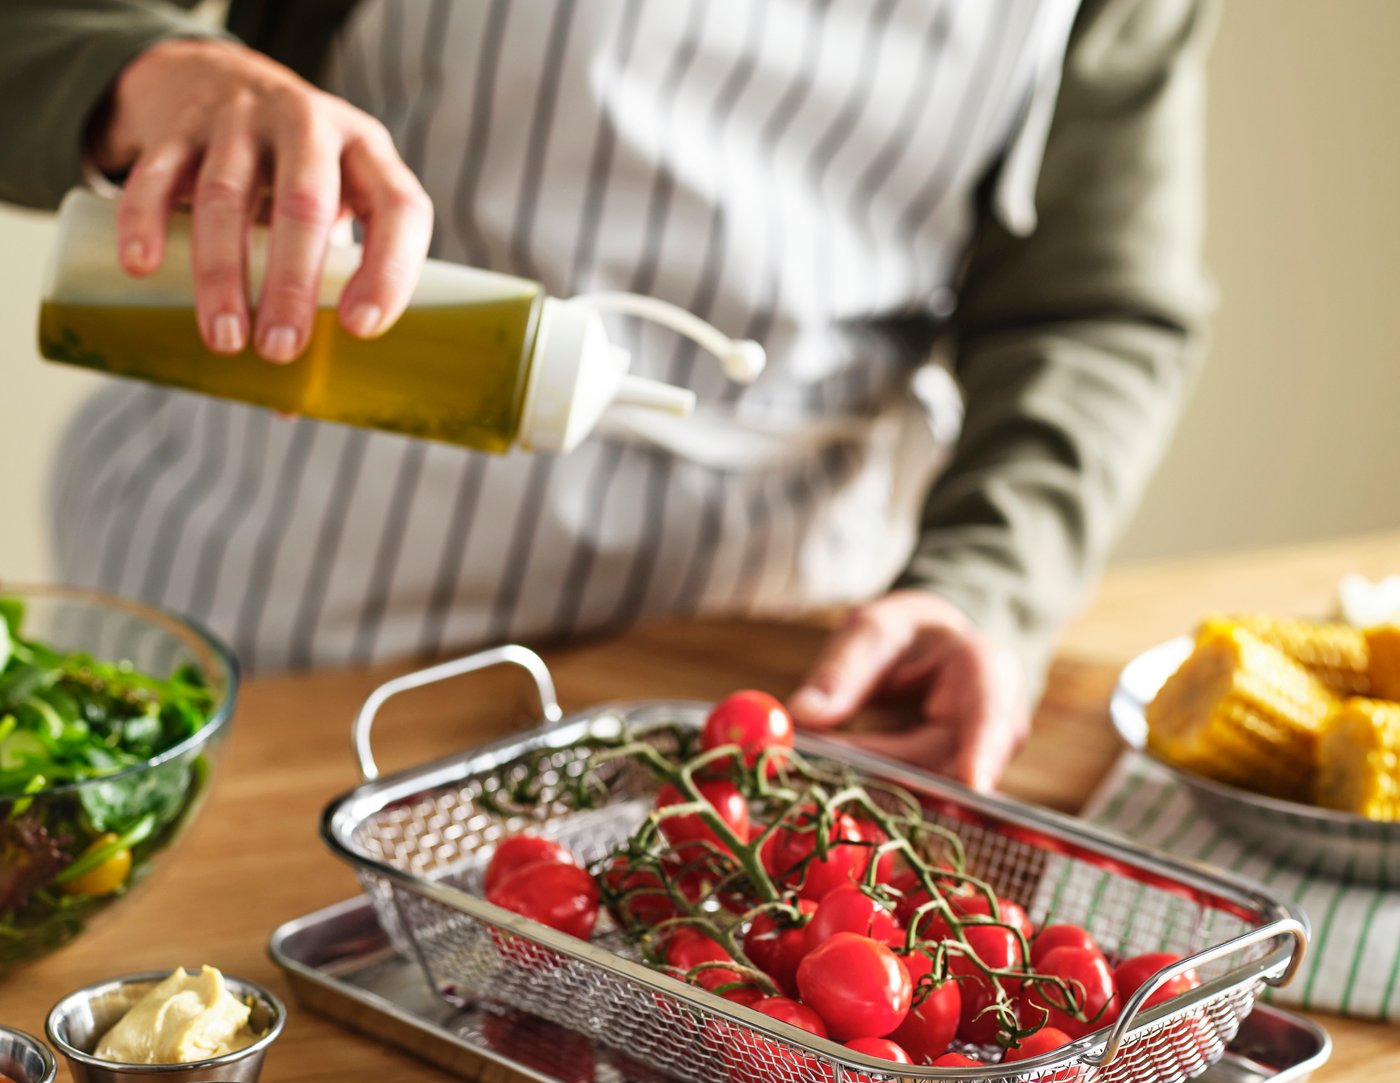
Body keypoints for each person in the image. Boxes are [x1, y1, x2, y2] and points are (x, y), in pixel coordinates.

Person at [0, 0, 1213, 790]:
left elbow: (1089, 304)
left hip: (761, 679)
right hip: (267, 614)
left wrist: (982, 585)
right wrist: (148, 73)